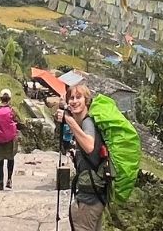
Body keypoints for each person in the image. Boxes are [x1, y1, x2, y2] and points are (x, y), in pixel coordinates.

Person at [60, 84, 108, 231]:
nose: (74, 101)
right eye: (71, 98)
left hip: (89, 200)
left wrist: (69, 121)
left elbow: (89, 146)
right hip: (94, 196)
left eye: (78, 97)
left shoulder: (87, 123)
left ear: (86, 100)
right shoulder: (84, 123)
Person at [0, 89, 20, 190]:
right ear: (10, 99)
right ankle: (9, 179)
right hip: (11, 139)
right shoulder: (13, 110)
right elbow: (21, 122)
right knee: (10, 159)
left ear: (0, 98)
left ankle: (0, 184)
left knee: (0, 162)